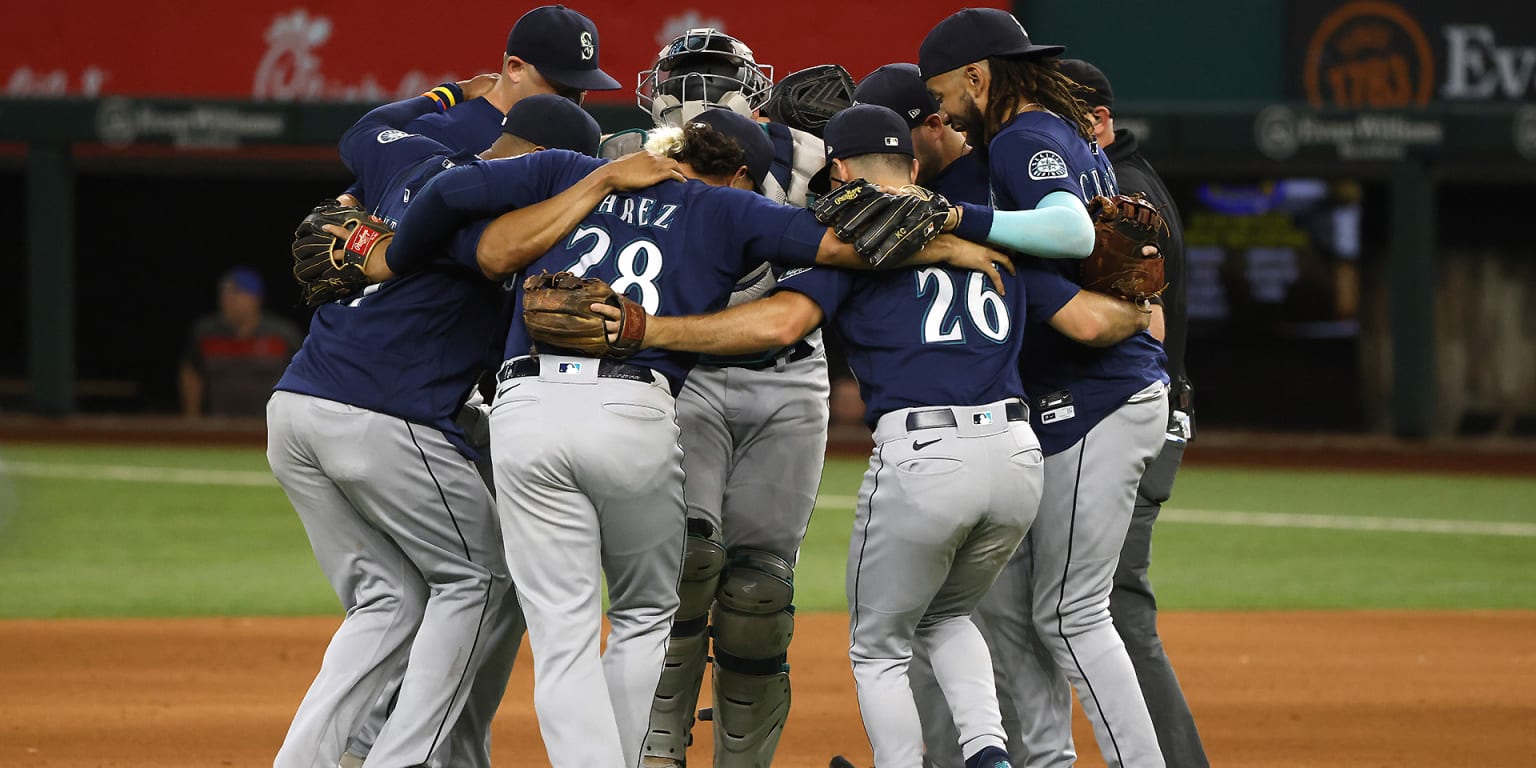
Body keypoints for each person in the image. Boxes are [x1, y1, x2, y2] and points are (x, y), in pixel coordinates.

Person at [381, 108, 1010, 768]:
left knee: (562, 633)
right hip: (633, 404)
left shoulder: (571, 170)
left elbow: (449, 192)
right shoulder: (726, 209)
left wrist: (392, 262)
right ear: (739, 174)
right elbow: (845, 246)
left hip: (526, 402)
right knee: (647, 614)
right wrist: (950, 245)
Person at [595, 105, 1156, 768]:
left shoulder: (854, 242)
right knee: (948, 616)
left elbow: (779, 326)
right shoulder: (988, 230)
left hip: (926, 458)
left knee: (879, 648)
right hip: (1015, 457)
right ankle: (988, 753)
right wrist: (1140, 304)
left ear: (836, 169)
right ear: (915, 166)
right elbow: (1092, 323)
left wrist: (651, 332)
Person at [267, 67, 652, 768]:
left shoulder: (416, 159)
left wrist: (447, 96)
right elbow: (498, 252)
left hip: (295, 406)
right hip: (379, 415)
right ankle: (405, 760)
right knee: (482, 578)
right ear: (548, 166)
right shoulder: (488, 216)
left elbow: (362, 133)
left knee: (387, 601)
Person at [921, 9, 1171, 768]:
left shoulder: (1027, 134)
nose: (943, 110)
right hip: (1079, 400)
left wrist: (957, 216)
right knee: (1027, 615)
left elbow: (1071, 234)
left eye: (945, 92)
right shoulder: (1043, 132)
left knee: (1070, 613)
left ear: (976, 75)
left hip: (1099, 398)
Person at [631, 28, 835, 768]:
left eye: (709, 78)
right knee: (685, 567)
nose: (697, 93)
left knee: (757, 588)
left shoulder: (812, 154)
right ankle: (658, 751)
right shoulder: (627, 157)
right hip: (684, 370)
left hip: (786, 374)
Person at [1058, 57, 1206, 768]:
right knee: (1091, 603)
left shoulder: (1123, 188)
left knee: (1113, 609)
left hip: (1137, 416)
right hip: (1145, 414)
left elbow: (1149, 329)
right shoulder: (1122, 178)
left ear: (1099, 122)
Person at [179, 266, 303, 419]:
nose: (228, 301)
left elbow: (303, 376)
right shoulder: (206, 333)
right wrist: (192, 417)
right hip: (218, 426)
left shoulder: (282, 335)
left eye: (236, 294)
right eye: (224, 295)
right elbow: (191, 372)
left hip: (268, 425)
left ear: (256, 298)